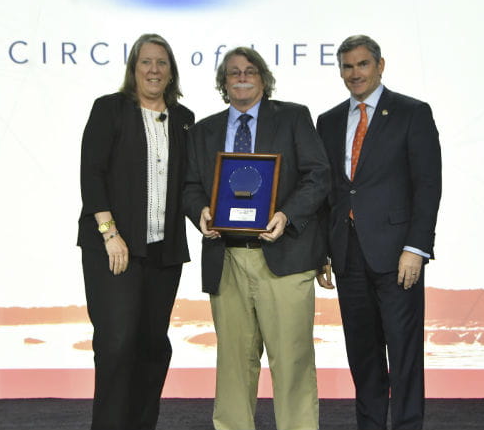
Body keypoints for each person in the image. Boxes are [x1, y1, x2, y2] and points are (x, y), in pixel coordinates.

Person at [182, 47, 330, 430]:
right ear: (223, 83)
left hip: (285, 255)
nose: (242, 77)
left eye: (250, 71)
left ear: (263, 79)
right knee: (233, 364)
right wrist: (200, 211)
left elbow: (318, 175)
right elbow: (189, 185)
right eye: (233, 73)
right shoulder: (203, 131)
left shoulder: (294, 118)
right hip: (226, 258)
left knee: (293, 361)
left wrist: (287, 215)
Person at [316, 35, 442, 430]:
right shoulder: (330, 120)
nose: (355, 73)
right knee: (364, 357)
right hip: (348, 256)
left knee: (404, 356)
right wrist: (322, 252)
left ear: (380, 65)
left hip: (397, 256)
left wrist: (416, 248)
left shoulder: (411, 112)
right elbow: (329, 192)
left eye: (363, 65)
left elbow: (427, 185)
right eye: (347, 67)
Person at [77, 33, 194, 430]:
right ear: (133, 68)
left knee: (152, 347)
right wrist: (110, 234)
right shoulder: (110, 109)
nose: (154, 70)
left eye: (162, 63)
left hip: (164, 253)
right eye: (146, 62)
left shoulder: (183, 119)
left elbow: (189, 185)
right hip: (115, 249)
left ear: (172, 71)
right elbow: (91, 176)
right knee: (116, 345)